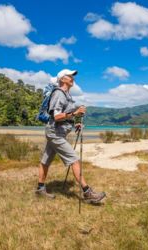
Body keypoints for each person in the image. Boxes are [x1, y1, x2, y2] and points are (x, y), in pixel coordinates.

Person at [36, 69, 106, 203]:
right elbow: (56, 116)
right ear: (62, 79)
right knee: (74, 159)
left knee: (46, 160)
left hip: (57, 131)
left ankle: (40, 189)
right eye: (70, 76)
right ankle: (87, 193)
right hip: (55, 132)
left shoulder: (66, 95)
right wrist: (75, 113)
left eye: (72, 76)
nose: (72, 78)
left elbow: (64, 117)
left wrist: (75, 124)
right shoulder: (58, 94)